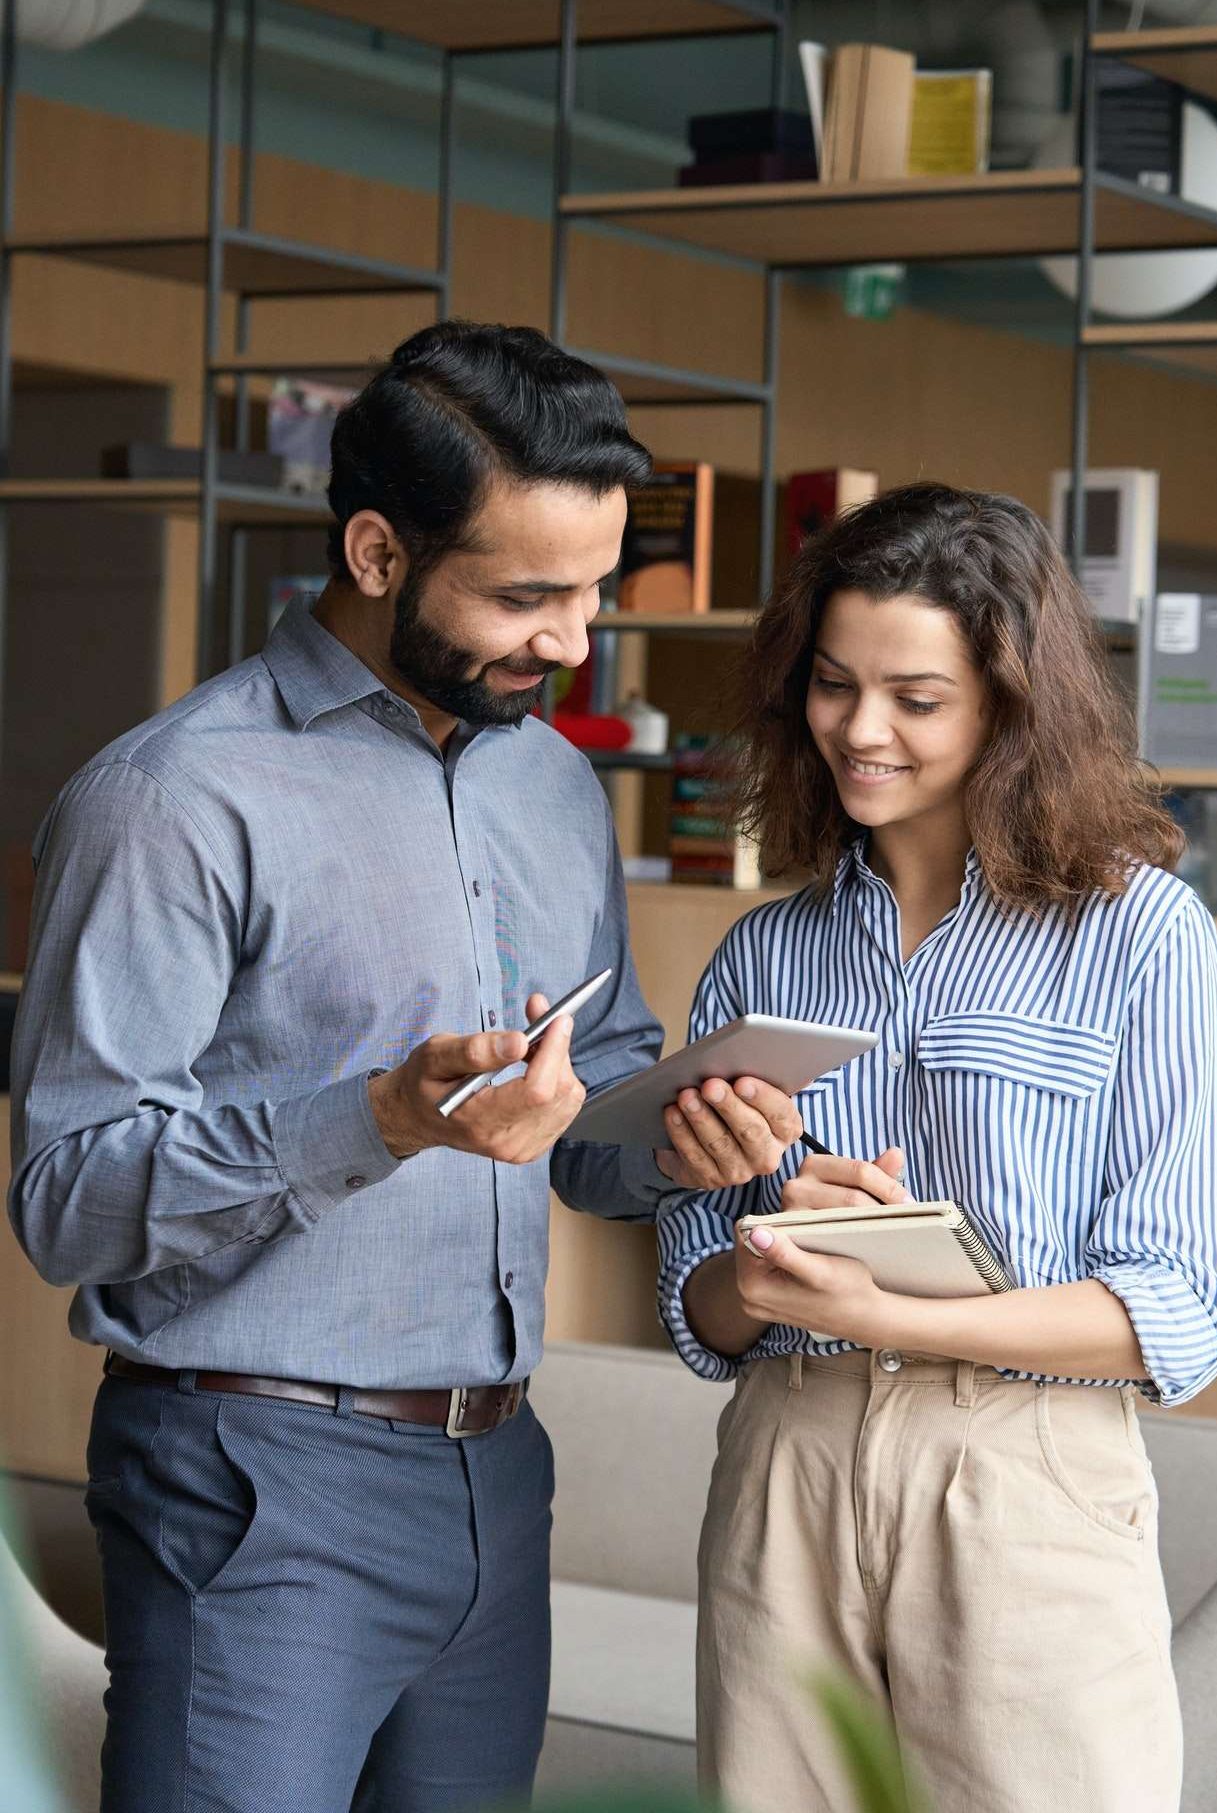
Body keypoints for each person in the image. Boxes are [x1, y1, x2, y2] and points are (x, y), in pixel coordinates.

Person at [6, 320, 800, 1813]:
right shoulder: (174, 798)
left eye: (592, 591)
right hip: (250, 1474)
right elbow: (64, 1198)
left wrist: (689, 1130)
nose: (572, 640)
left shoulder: (554, 786)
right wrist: (373, 1117)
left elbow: (587, 1115)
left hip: (495, 1474)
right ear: (376, 550)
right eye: (525, 595)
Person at [657, 483, 1217, 1813]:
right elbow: (695, 1295)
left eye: (914, 698)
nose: (859, 730)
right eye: (831, 684)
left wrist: (894, 1307)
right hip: (786, 1465)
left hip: (1020, 1470)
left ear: (1008, 702)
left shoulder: (1139, 937)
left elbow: (1179, 1309)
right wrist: (753, 1269)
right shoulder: (766, 949)